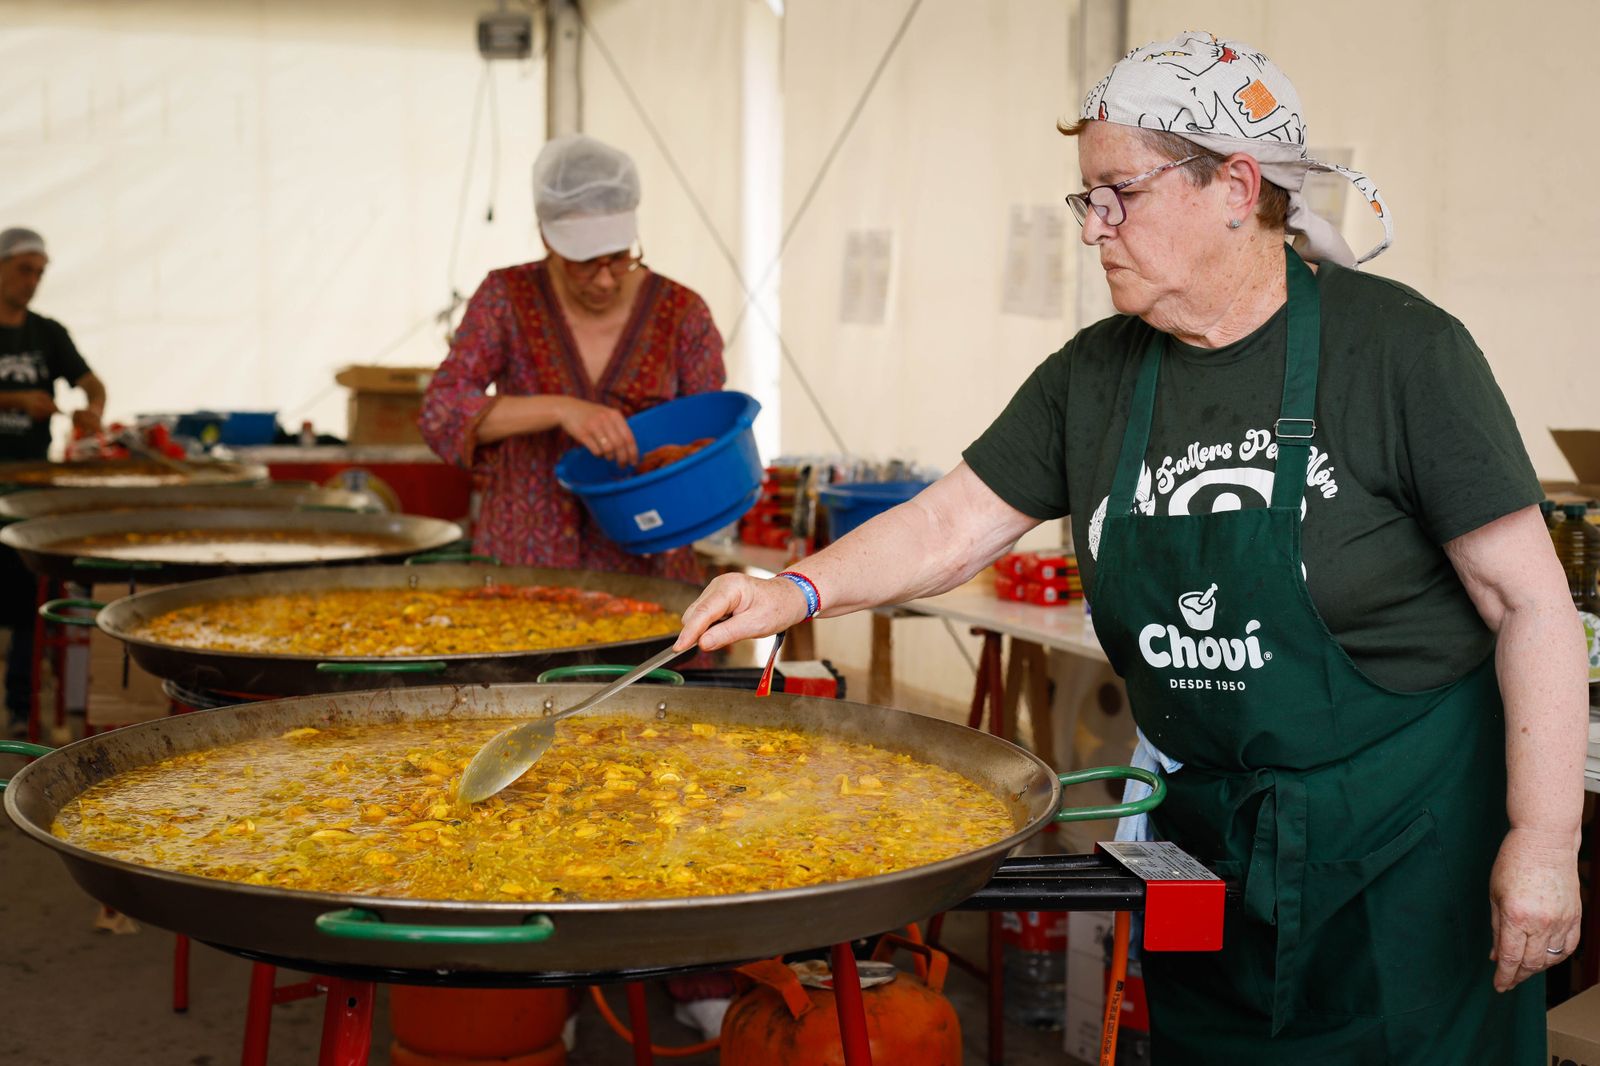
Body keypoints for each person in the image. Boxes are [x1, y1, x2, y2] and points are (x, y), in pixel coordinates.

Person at [674, 32, 1586, 1064]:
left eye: (1122, 195)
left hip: (1406, 849)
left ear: (1236, 187)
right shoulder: (1097, 375)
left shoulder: (1401, 353)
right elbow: (950, 522)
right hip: (1211, 843)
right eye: (1085, 200)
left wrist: (1545, 842)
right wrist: (795, 588)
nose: (1092, 229)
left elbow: (1530, 604)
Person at [419, 134, 725, 581]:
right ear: (547, 239)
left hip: (648, 568)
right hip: (525, 565)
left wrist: (685, 463)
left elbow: (709, 436)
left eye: (620, 258)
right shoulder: (506, 298)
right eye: (585, 262)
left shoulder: (682, 313)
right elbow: (441, 410)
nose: (605, 280)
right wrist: (559, 409)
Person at [0, 227, 107, 737]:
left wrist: (93, 407)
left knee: (27, 595)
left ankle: (21, 708)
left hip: (29, 489)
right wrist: (15, 400)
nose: (33, 281)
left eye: (40, 273)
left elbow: (90, 380)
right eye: (25, 269)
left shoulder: (47, 333)